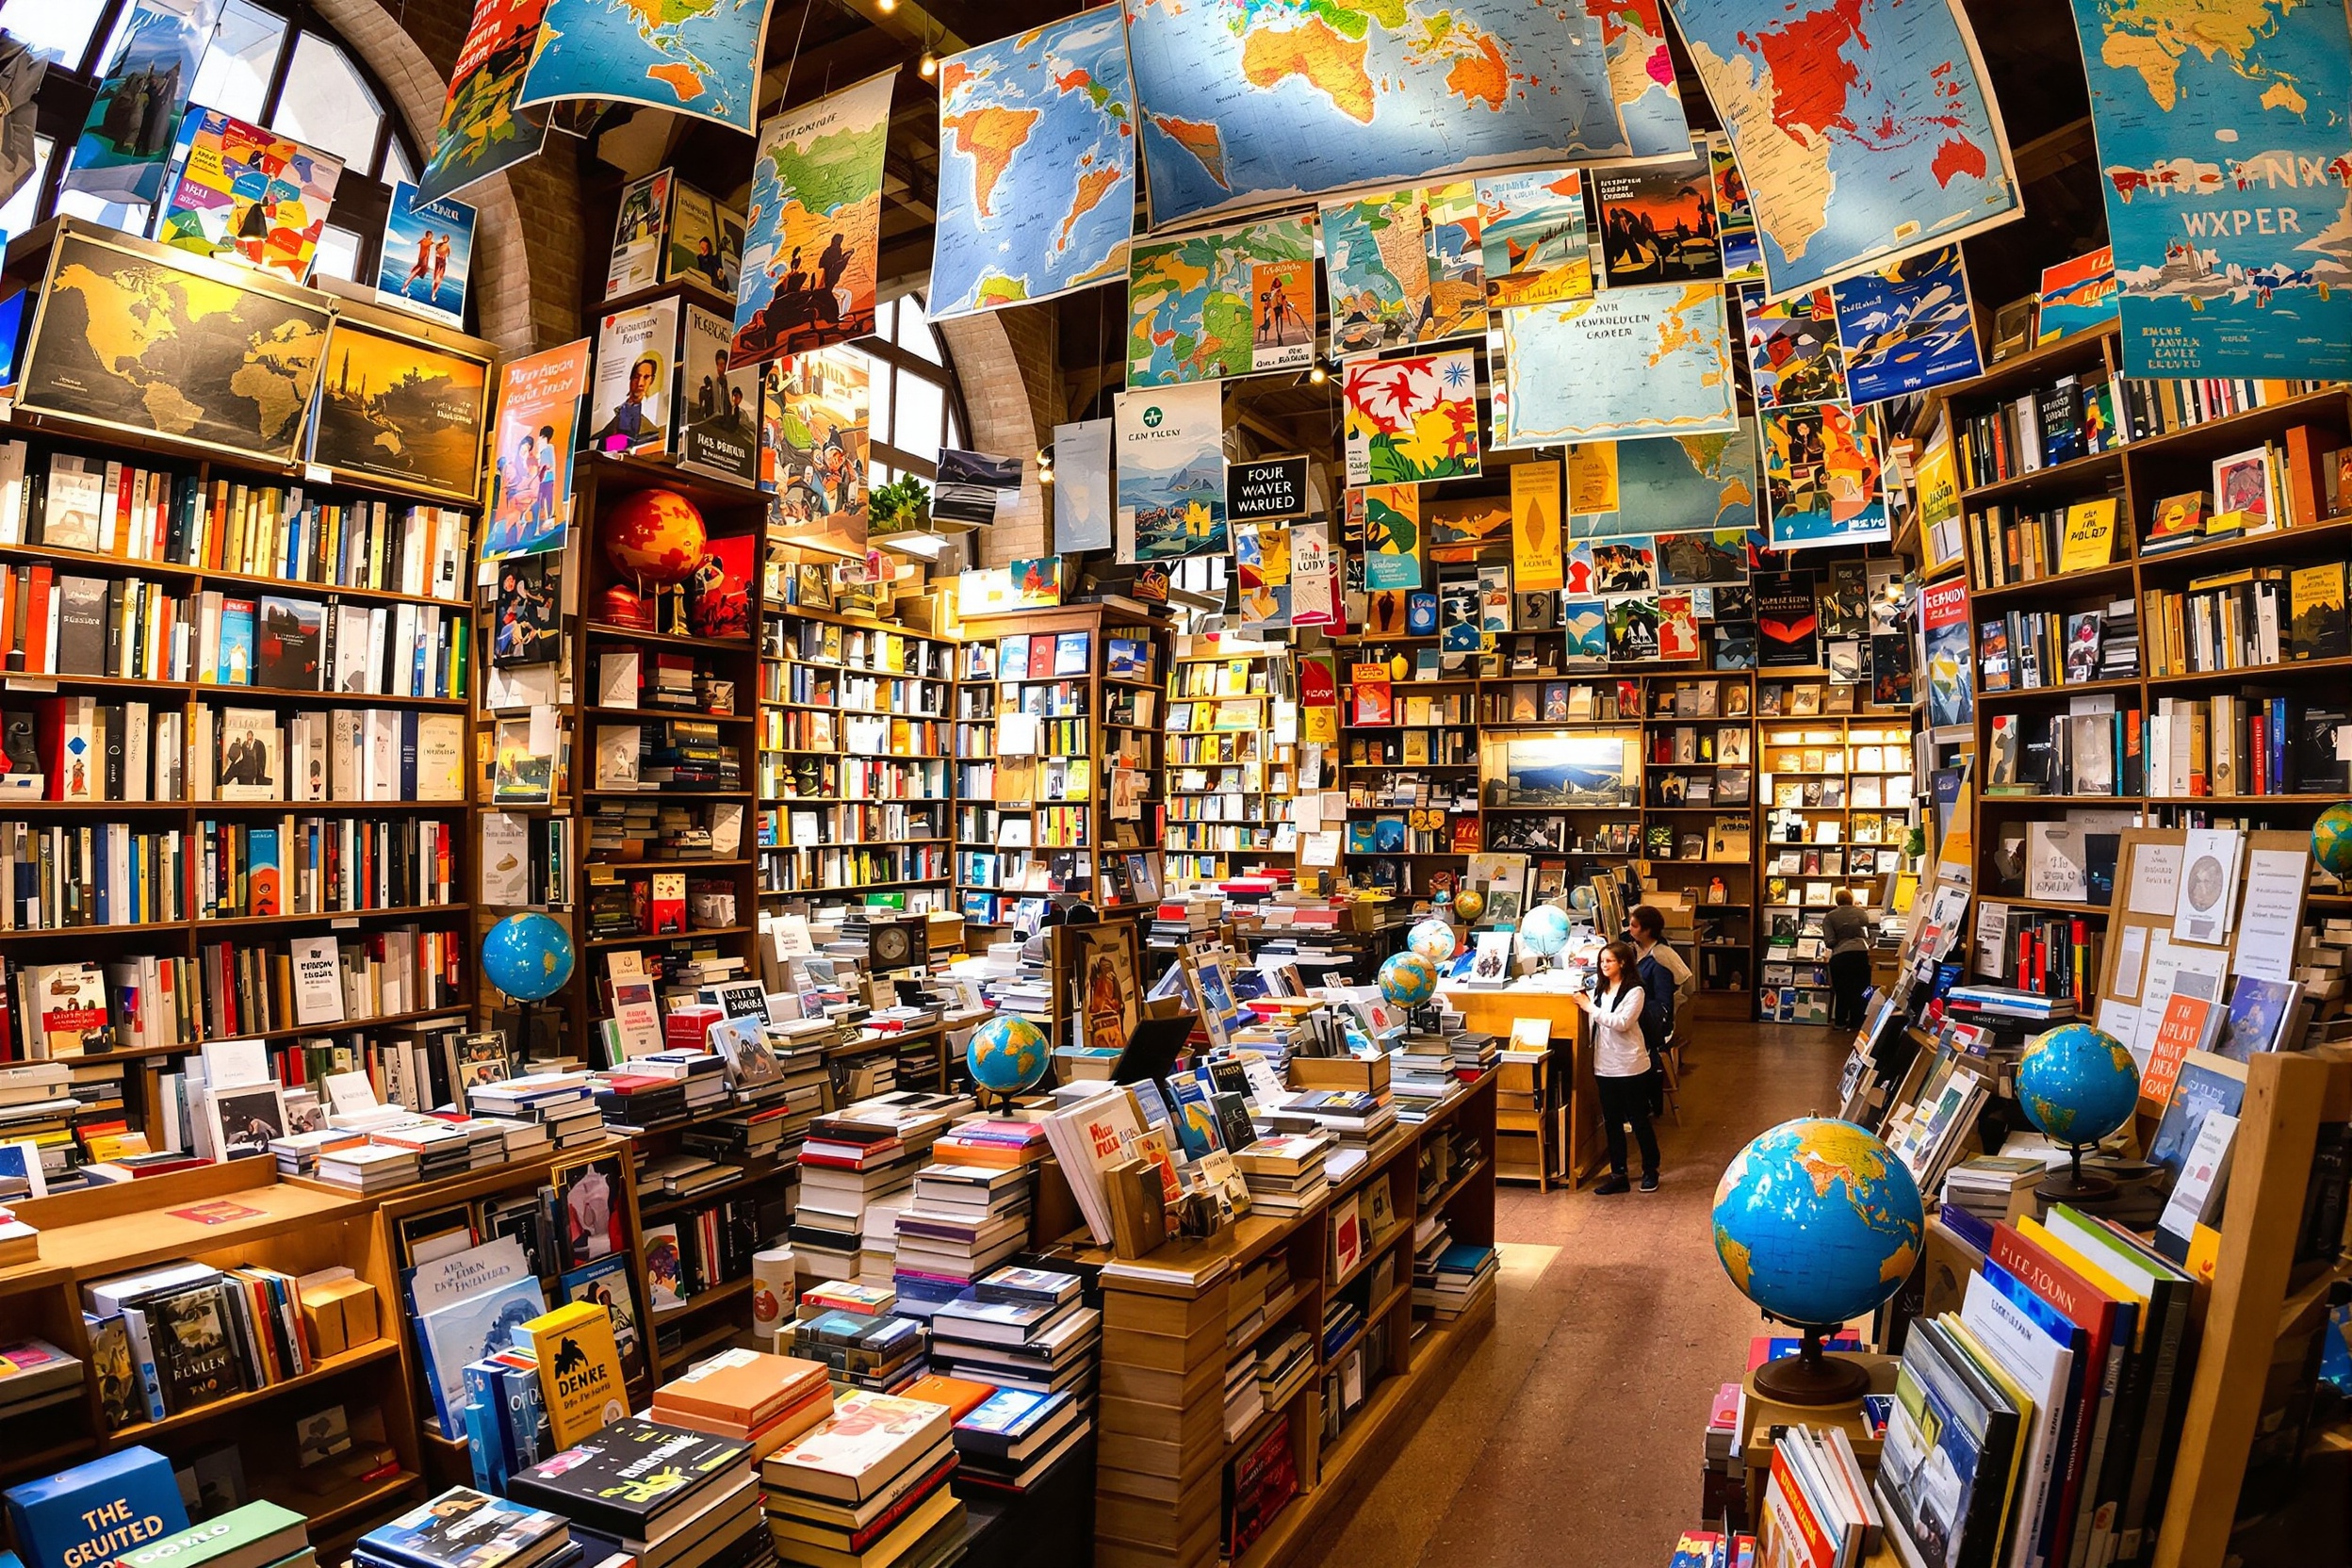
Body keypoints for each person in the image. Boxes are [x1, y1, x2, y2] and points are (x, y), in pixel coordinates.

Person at [1586, 940, 1660, 1194]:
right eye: (1602, 961)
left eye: (1609, 961)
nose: (1604, 965)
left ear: (1623, 963)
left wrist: (1589, 1008)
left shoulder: (1635, 991)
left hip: (1630, 1065)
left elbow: (1622, 1022)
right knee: (1612, 1122)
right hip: (1604, 1065)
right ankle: (1618, 1174)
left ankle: (1651, 1170)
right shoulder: (1600, 988)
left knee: (1639, 1119)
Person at [1628, 905, 1688, 1115]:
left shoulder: (1660, 958)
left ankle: (1644, 1105)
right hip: (1643, 1014)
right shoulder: (1639, 951)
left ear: (1647, 930)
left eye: (1634, 926)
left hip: (1656, 1022)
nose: (1629, 929)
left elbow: (1663, 1003)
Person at [1825, 889, 1874, 1028]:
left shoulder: (1830, 917)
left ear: (1837, 900)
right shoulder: (1862, 913)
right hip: (1862, 954)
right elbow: (1872, 934)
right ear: (1851, 899)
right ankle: (1857, 1022)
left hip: (1841, 956)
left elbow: (1829, 942)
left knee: (1841, 990)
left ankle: (1840, 1022)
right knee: (1861, 989)